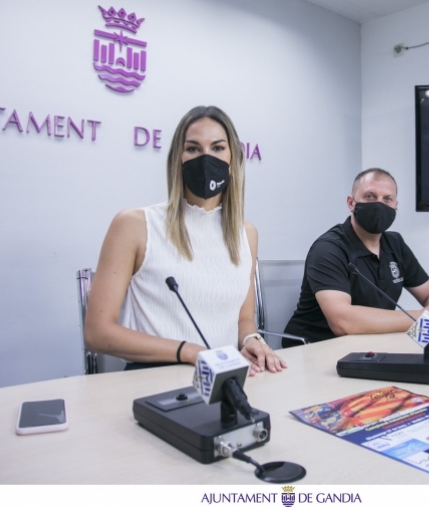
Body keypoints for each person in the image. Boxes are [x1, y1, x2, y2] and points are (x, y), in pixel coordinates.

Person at [85, 106, 286, 374]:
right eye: (192, 148)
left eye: (217, 148)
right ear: (176, 160)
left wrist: (252, 340)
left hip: (225, 379)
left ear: (233, 160)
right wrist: (191, 352)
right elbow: (97, 333)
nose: (206, 158)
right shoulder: (134, 225)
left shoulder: (246, 234)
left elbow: (243, 319)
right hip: (153, 380)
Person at [283, 168, 429, 345]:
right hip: (315, 350)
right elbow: (342, 322)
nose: (379, 205)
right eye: (370, 196)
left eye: (387, 199)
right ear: (351, 203)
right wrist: (424, 317)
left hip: (371, 346)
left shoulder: (395, 244)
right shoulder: (328, 248)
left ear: (396, 206)